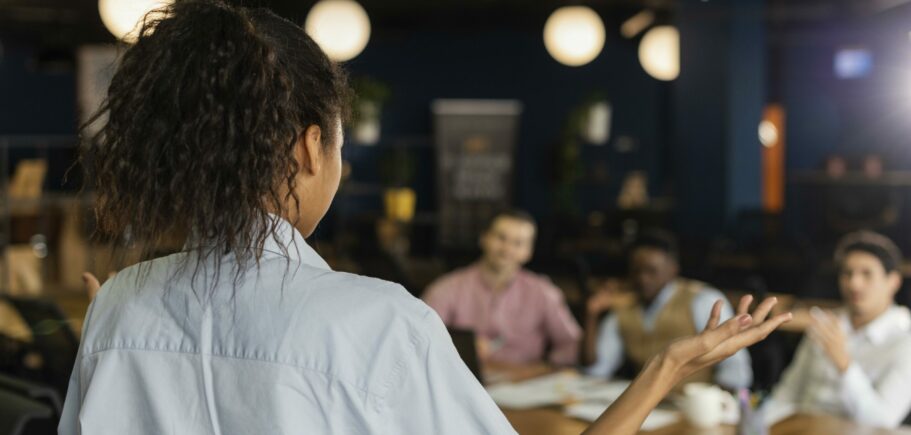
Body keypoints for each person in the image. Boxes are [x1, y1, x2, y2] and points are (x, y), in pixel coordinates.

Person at [59, 2, 791, 434]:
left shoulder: (119, 306)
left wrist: (123, 325)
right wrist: (666, 367)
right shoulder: (374, 321)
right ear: (308, 147)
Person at [764, 231, 911, 429]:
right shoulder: (826, 324)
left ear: (893, 281)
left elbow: (882, 424)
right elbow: (787, 393)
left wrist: (845, 365)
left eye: (866, 274)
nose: (854, 283)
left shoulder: (905, 340)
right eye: (847, 273)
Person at [584, 229, 753, 389]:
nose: (643, 279)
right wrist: (591, 315)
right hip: (640, 407)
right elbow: (597, 368)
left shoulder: (703, 300)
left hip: (690, 406)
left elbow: (736, 370)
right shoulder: (624, 306)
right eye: (637, 271)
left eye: (651, 271)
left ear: (673, 268)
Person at [422, 210, 581, 367]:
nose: (507, 249)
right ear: (483, 238)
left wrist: (545, 369)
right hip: (464, 380)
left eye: (518, 243)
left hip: (526, 382)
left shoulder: (543, 291)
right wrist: (458, 349)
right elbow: (420, 338)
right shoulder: (447, 288)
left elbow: (571, 343)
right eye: (501, 238)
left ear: (528, 252)